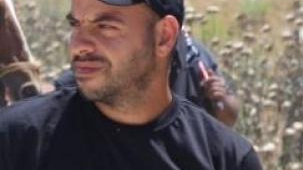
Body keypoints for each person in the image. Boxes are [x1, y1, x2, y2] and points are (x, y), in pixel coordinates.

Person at [0, 0, 270, 170]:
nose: (79, 44)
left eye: (105, 26)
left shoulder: (227, 163)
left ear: (164, 36)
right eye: (76, 24)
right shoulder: (16, 140)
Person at [55, 29, 242, 127]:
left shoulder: (196, 55)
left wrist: (222, 98)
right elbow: (63, 92)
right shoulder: (126, 53)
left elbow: (228, 117)